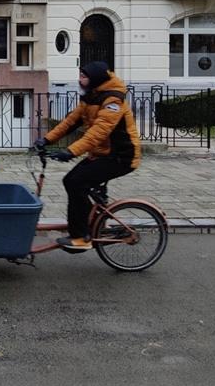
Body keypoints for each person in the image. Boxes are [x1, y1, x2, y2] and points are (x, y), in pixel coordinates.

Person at [34, 61, 141, 252]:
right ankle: (95, 222)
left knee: (76, 183)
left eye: (83, 76)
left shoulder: (113, 100)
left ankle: (82, 237)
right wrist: (46, 140)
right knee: (71, 180)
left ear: (95, 79)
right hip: (102, 154)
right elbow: (71, 122)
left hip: (121, 157)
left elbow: (99, 132)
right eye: (80, 75)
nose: (79, 80)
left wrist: (71, 151)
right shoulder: (91, 96)